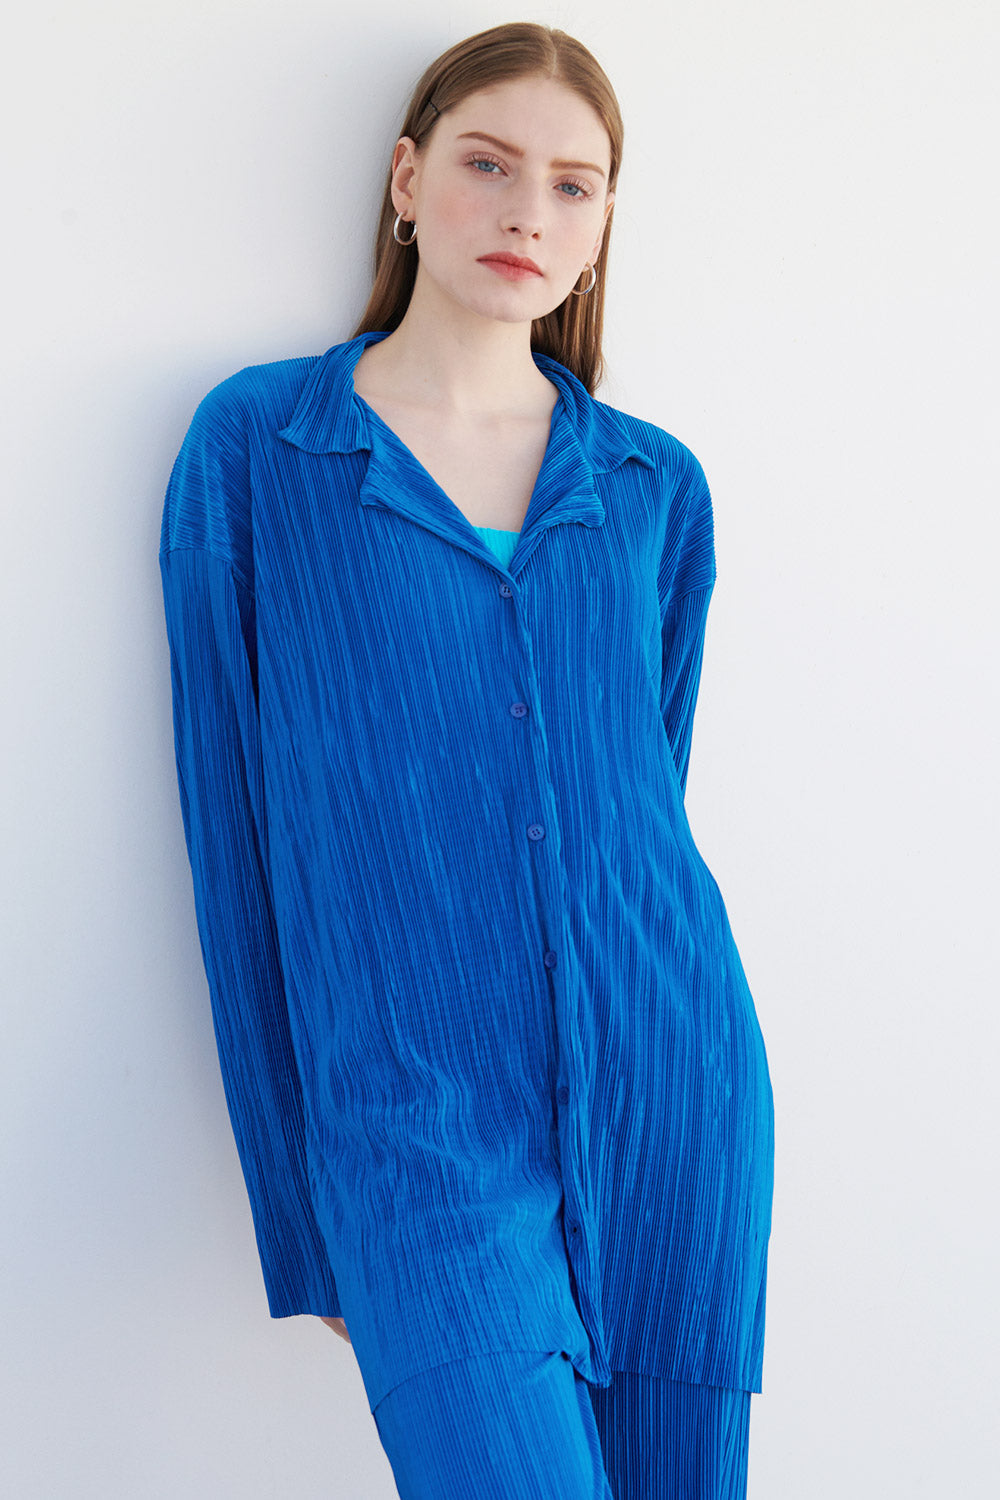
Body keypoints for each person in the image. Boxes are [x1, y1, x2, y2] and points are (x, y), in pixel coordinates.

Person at [158, 20, 775, 1499]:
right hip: (411, 1124)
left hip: (673, 1101)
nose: (526, 214)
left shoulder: (654, 486)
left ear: (603, 224)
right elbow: (234, 838)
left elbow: (642, 800)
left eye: (573, 185)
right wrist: (302, 1205)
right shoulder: (263, 450)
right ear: (406, 178)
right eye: (488, 165)